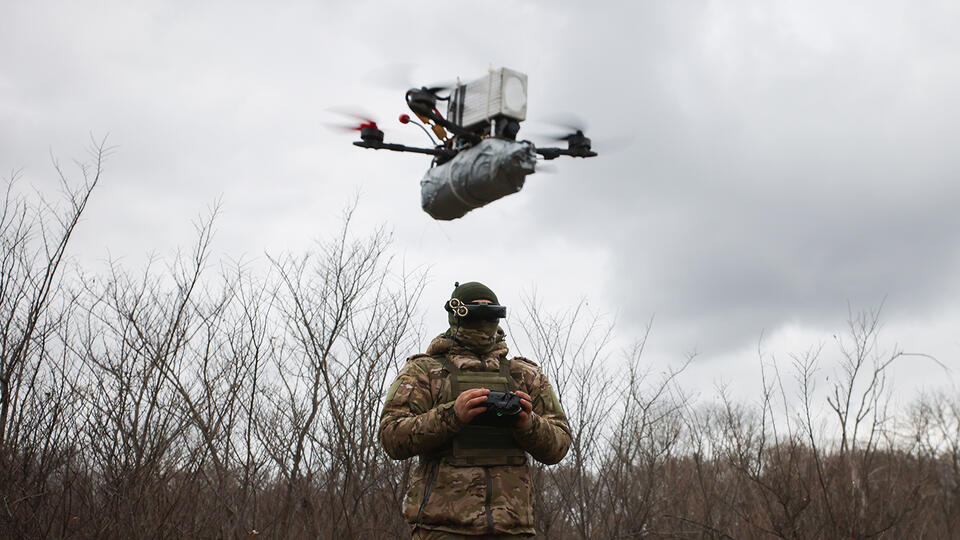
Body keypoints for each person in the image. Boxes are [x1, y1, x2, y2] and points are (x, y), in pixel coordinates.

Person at [379, 281, 571, 539]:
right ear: (457, 314)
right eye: (476, 309)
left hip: (513, 529)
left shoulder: (525, 374)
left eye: (489, 310)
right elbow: (392, 436)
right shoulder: (425, 372)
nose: (483, 318)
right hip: (441, 528)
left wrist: (528, 423)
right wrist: (452, 415)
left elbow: (559, 445)